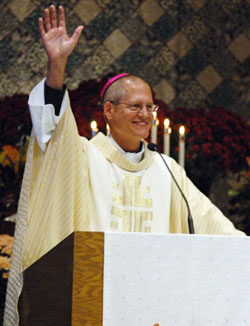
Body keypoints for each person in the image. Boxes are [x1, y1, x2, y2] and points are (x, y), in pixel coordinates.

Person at [4, 5, 244, 325]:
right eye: (135, 106)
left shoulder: (167, 169)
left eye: (150, 107)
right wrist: (57, 64)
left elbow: (210, 222)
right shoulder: (84, 157)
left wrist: (244, 252)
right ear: (109, 111)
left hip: (156, 304)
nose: (145, 114)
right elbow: (51, 128)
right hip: (91, 298)